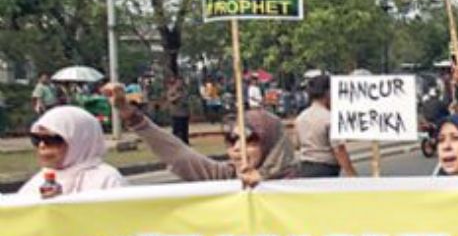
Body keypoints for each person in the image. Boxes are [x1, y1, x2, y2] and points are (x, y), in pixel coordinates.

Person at [105, 82, 297, 187]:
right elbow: (179, 155)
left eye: (251, 141)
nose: (238, 148)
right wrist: (130, 114)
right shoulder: (226, 177)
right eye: (232, 140)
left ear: (272, 145)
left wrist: (266, 187)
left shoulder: (301, 183)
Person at [15, 106, 126, 200]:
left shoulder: (107, 181)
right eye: (37, 139)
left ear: (79, 140)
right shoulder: (36, 183)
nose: (42, 145)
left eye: (51, 140)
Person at [295, 75, 357, 178]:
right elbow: (339, 150)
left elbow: (297, 144)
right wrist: (352, 175)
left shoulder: (300, 118)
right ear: (328, 93)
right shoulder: (330, 118)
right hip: (325, 170)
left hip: (304, 168)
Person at [166, 76, 190, 145]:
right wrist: (177, 97)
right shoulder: (172, 90)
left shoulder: (184, 91)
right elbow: (170, 99)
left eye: (181, 82)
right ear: (176, 83)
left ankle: (185, 143)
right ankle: (174, 143)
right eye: (179, 82)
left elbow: (187, 100)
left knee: (185, 130)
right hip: (176, 114)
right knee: (176, 130)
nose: (180, 84)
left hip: (184, 113)